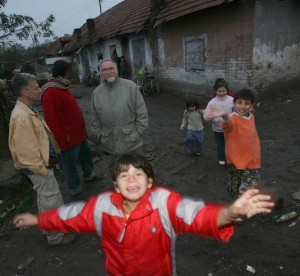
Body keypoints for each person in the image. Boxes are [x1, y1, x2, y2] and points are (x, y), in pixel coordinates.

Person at [13, 154, 274, 275]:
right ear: (116, 185)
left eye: (139, 173)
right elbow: (69, 215)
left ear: (150, 182)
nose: (132, 179)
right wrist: (38, 219)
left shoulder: (164, 203)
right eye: (124, 174)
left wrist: (230, 213)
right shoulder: (102, 207)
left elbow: (197, 216)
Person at [8, 73, 75, 246]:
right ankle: (55, 237)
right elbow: (26, 153)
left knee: (46, 199)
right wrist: (43, 171)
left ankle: (52, 230)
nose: (40, 90)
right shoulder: (21, 117)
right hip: (38, 168)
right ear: (25, 92)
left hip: (41, 165)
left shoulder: (27, 109)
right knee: (50, 200)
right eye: (36, 87)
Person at [41, 60, 102, 198]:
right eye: (69, 69)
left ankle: (89, 175)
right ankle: (74, 188)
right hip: (67, 139)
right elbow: (51, 121)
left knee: (86, 156)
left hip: (79, 134)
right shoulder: (50, 91)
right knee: (70, 166)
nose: (70, 71)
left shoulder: (62, 85)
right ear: (66, 71)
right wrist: (61, 142)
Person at [205, 89, 261, 199]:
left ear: (252, 105)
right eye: (239, 103)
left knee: (247, 190)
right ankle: (235, 205)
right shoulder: (232, 119)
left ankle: (241, 211)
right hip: (234, 162)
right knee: (234, 188)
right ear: (234, 104)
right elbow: (228, 125)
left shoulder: (252, 117)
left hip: (251, 162)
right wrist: (225, 116)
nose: (243, 106)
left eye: (247, 103)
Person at [90, 58, 148, 155]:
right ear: (101, 73)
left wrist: (136, 134)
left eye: (111, 68)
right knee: (116, 170)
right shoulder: (96, 93)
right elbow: (94, 120)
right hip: (110, 147)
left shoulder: (131, 87)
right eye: (104, 70)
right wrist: (101, 137)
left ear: (117, 69)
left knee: (136, 169)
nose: (108, 72)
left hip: (132, 145)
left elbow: (142, 115)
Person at [204, 79, 234, 165]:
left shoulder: (231, 99)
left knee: (230, 144)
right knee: (220, 144)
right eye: (219, 91)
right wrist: (210, 116)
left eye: (223, 91)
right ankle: (221, 158)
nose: (221, 93)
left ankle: (231, 157)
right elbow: (206, 115)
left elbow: (236, 111)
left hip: (229, 127)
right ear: (215, 91)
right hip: (217, 128)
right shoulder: (212, 102)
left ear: (227, 90)